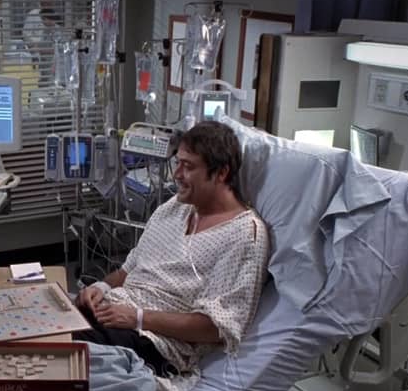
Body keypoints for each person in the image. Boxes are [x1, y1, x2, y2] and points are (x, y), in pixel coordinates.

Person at [73, 121, 270, 376]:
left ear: (221, 173)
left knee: (57, 351)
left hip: (153, 340)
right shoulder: (173, 208)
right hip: (115, 312)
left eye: (188, 166)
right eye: (178, 163)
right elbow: (127, 271)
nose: (177, 174)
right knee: (47, 323)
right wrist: (100, 288)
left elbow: (215, 328)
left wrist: (137, 317)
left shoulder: (244, 236)